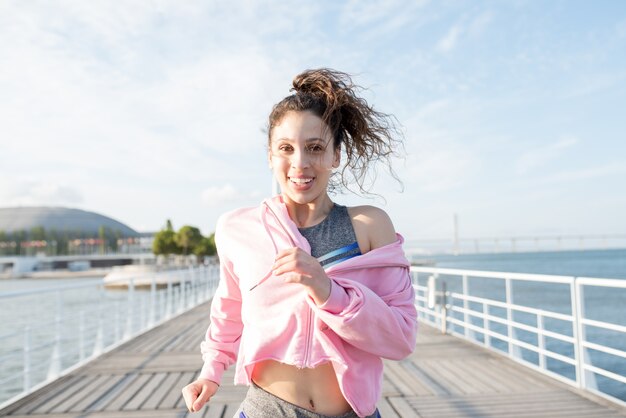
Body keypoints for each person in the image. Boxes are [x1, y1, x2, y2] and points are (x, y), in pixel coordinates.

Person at [182, 68, 418, 418]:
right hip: (266, 409)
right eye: (286, 149)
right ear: (270, 156)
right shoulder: (237, 228)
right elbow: (230, 310)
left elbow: (400, 337)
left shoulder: (369, 226)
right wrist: (210, 372)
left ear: (336, 156)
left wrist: (328, 290)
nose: (300, 163)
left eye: (315, 148)